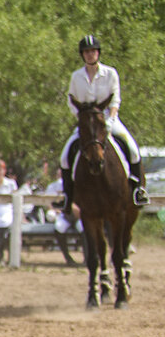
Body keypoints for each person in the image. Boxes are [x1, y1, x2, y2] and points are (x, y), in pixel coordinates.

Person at [59, 34, 149, 210]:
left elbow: (115, 100)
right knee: (64, 156)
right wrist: (82, 118)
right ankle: (67, 197)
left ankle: (138, 190)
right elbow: (71, 101)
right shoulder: (76, 77)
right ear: (82, 55)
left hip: (108, 120)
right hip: (86, 123)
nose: (90, 55)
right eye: (87, 52)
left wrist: (110, 120)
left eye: (93, 51)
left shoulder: (110, 73)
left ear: (98, 53)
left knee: (132, 149)